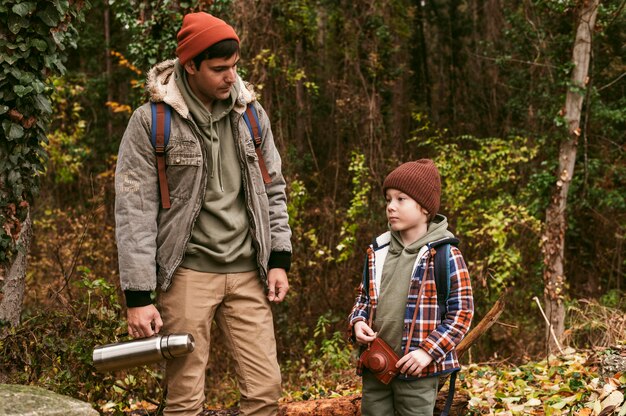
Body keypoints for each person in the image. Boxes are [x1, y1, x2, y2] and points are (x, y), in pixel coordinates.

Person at [114, 12, 292, 416]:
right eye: (219, 69)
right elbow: (133, 213)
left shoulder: (251, 115)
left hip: (250, 272)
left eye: (234, 67)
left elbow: (273, 189)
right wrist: (138, 297)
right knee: (185, 399)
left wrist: (279, 259)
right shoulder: (151, 123)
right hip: (188, 274)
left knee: (266, 390)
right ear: (190, 65)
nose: (232, 78)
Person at [348, 159, 474, 416]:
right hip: (376, 365)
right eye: (388, 199)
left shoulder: (445, 254)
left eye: (401, 199)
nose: (391, 207)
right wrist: (357, 322)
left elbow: (461, 314)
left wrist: (427, 353)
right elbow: (363, 298)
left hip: (418, 370)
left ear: (425, 207)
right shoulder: (378, 251)